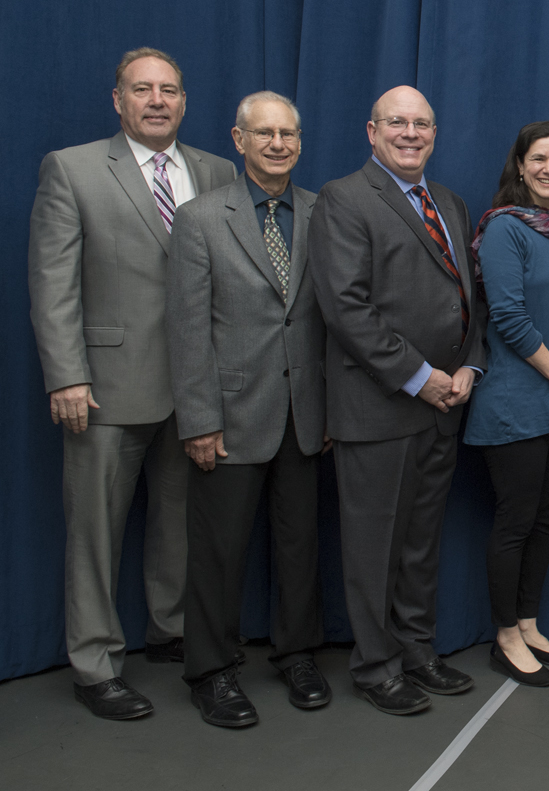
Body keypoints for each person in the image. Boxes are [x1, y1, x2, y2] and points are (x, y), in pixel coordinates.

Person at [29, 48, 236, 719]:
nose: (156, 100)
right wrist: (66, 374)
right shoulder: (74, 168)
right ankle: (95, 662)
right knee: (96, 531)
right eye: (141, 89)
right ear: (116, 100)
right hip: (106, 388)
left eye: (168, 90)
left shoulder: (217, 171)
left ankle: (170, 630)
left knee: (179, 524)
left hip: (195, 390)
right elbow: (53, 281)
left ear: (184, 101)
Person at [308, 85, 484, 715]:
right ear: (372, 130)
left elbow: (471, 299)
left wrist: (469, 367)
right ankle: (376, 665)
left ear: (435, 133)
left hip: (443, 406)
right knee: (372, 546)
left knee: (419, 543)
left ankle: (416, 650)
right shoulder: (345, 199)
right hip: (380, 409)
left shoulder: (452, 203)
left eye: (423, 124)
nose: (411, 134)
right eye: (398, 123)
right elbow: (346, 309)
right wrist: (420, 376)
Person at [167, 91, 330, 727]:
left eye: (289, 133)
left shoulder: (323, 213)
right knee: (219, 550)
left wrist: (332, 414)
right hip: (229, 415)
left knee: (300, 545)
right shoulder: (201, 218)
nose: (278, 144)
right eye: (264, 133)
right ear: (239, 141)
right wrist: (199, 419)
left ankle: (297, 654)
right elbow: (186, 330)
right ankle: (211, 669)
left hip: (306, 412)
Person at [464, 121, 549, 688]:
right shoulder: (503, 230)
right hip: (518, 400)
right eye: (539, 159)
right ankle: (505, 636)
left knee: (546, 520)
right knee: (515, 522)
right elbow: (510, 318)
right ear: (519, 165)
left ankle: (529, 621)